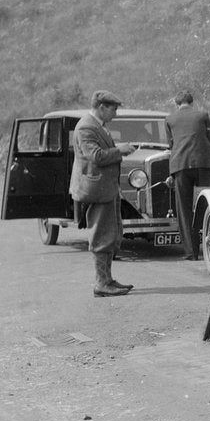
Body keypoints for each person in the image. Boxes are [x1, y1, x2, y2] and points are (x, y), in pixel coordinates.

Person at [70, 90, 137, 297]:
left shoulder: (98, 125)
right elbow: (96, 156)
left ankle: (107, 280)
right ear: (101, 107)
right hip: (97, 190)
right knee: (101, 236)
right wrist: (120, 150)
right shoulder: (86, 127)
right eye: (113, 109)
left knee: (111, 234)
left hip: (106, 188)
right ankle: (101, 284)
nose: (115, 113)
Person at [166, 89, 210, 260]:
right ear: (192, 102)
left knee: (184, 209)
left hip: (180, 164)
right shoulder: (202, 115)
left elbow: (171, 144)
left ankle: (191, 252)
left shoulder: (170, 119)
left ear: (176, 104)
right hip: (203, 163)